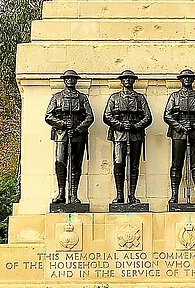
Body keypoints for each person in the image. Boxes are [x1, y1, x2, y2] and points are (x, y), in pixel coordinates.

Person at [44, 69, 95, 206]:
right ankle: (61, 193)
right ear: (64, 80)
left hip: (77, 135)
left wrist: (78, 129)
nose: (70, 80)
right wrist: (62, 124)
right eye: (68, 78)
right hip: (61, 134)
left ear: (76, 80)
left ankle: (73, 194)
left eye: (73, 78)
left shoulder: (82, 97)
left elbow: (90, 116)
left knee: (75, 165)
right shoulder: (57, 97)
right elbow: (48, 116)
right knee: (60, 162)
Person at [163, 68, 195, 207]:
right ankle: (174, 196)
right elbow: (167, 114)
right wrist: (179, 125)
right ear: (181, 80)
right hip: (178, 133)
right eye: (185, 77)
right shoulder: (174, 96)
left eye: (190, 78)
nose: (187, 80)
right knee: (176, 165)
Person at [103, 70, 152, 205]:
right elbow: (107, 116)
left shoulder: (140, 98)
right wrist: (120, 125)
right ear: (121, 81)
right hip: (119, 135)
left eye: (130, 79)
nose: (128, 81)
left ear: (133, 81)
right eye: (125, 79)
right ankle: (119, 195)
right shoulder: (114, 98)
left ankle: (131, 195)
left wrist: (136, 126)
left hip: (135, 135)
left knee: (134, 166)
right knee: (119, 164)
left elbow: (148, 117)